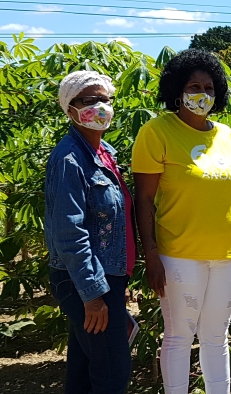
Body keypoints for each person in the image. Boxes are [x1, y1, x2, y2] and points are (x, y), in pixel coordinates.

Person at [131, 48, 231, 394]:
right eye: (194, 86)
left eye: (209, 88)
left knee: (217, 337)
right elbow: (143, 199)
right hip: (178, 255)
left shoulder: (227, 137)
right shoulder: (156, 131)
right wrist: (152, 254)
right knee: (178, 336)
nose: (202, 94)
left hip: (225, 256)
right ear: (177, 89)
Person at [46, 70, 134, 393]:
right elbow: (69, 233)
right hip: (84, 280)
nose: (100, 106)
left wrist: (116, 281)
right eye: (90, 100)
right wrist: (94, 294)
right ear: (70, 109)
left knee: (84, 371)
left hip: (104, 276)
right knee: (112, 371)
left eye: (105, 99)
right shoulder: (69, 158)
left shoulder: (105, 153)